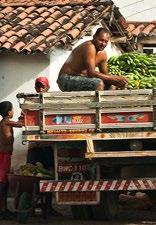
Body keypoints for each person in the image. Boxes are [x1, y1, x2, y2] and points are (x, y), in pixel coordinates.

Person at [26, 77, 61, 216]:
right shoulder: (30, 102)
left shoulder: (52, 103)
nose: (40, 89)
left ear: (47, 87)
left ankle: (48, 206)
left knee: (49, 176)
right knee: (30, 177)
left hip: (48, 147)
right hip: (34, 147)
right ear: (35, 87)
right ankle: (31, 207)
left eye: (42, 86)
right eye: (38, 86)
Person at [57, 27, 128, 91]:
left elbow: (105, 75)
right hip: (65, 79)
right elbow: (91, 73)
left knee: (111, 85)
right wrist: (113, 78)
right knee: (98, 83)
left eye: (106, 41)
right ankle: (98, 105)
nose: (103, 44)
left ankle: (108, 105)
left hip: (82, 79)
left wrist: (118, 82)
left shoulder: (103, 54)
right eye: (101, 40)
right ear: (94, 37)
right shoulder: (89, 46)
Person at [0, 101, 23, 219]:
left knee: (3, 182)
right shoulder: (7, 122)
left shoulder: (3, 122)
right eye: (13, 109)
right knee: (3, 183)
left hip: (3, 154)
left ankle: (3, 209)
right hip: (4, 155)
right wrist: (24, 114)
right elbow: (20, 124)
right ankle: (3, 211)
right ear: (9, 112)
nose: (13, 111)